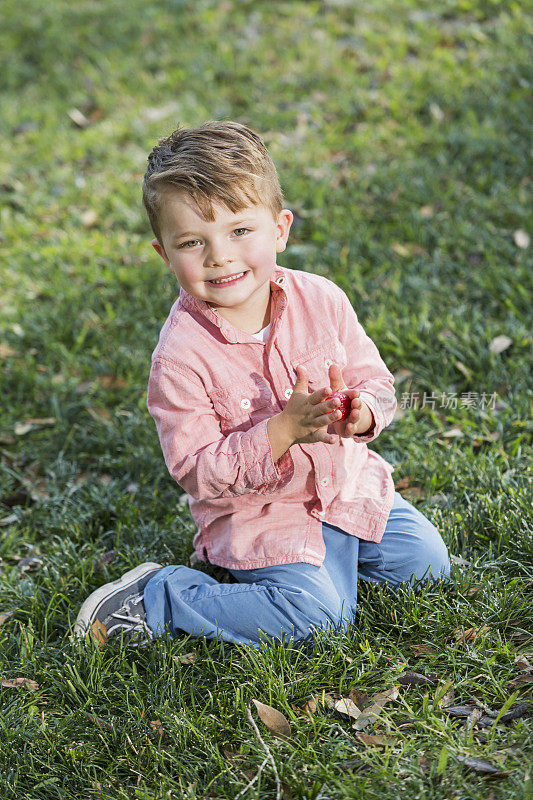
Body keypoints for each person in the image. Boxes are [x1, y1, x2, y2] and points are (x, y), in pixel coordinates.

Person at [74, 120, 451, 650]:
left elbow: (378, 383)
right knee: (320, 621)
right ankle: (162, 595)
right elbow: (197, 471)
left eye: (240, 231)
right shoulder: (181, 358)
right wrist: (282, 431)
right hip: (260, 516)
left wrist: (362, 411)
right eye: (191, 242)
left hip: (345, 490)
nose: (219, 256)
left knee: (429, 567)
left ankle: (325, 571)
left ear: (280, 228)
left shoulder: (321, 299)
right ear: (164, 253)